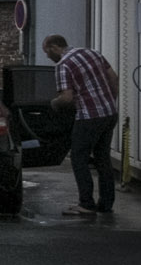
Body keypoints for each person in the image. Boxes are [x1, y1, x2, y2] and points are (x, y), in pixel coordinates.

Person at [43, 33, 119, 216]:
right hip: (109, 113)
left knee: (78, 157)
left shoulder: (63, 65)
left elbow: (67, 98)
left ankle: (86, 204)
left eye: (47, 52)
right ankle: (106, 204)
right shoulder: (92, 53)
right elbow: (114, 78)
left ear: (54, 47)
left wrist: (53, 104)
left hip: (88, 116)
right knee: (103, 159)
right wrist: (110, 101)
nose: (47, 56)